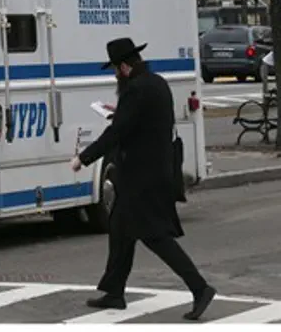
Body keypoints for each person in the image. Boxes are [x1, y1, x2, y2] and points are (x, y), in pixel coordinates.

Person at [70, 37, 216, 321]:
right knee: (120, 229)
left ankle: (200, 288)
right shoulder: (156, 83)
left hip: (142, 177)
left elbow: (117, 133)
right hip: (154, 171)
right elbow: (145, 121)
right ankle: (114, 291)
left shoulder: (135, 90)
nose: (115, 75)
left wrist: (83, 158)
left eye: (115, 70)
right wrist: (121, 113)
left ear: (124, 67)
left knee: (155, 236)